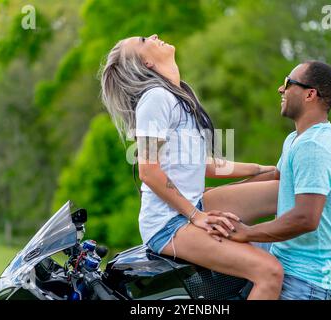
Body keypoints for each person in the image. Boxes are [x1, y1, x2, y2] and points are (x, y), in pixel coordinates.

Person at [100, 34, 283, 299]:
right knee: (270, 272)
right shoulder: (155, 99)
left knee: (281, 190)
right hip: (169, 224)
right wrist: (195, 217)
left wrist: (262, 170)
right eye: (143, 40)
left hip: (194, 205)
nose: (153, 36)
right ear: (147, 62)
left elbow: (203, 165)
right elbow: (148, 171)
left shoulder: (179, 97)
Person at [207, 61, 331, 300]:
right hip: (288, 264)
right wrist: (219, 194)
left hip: (307, 281)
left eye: (287, 83)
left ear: (310, 94)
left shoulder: (313, 146)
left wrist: (247, 233)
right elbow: (276, 176)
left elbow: (305, 218)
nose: (280, 89)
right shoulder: (297, 138)